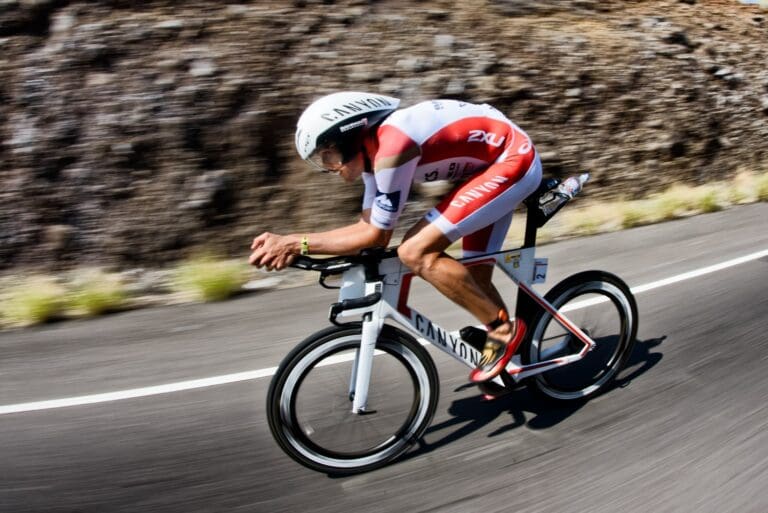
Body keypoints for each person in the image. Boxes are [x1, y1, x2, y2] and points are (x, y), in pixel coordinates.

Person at [249, 91, 542, 382]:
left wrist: (295, 242)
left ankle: (504, 330)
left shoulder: (392, 149)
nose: (329, 168)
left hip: (512, 158)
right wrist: (297, 245)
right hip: (489, 164)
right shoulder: (373, 159)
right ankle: (511, 356)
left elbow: (376, 236)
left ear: (349, 137)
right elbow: (367, 229)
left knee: (415, 251)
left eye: (329, 155)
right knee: (474, 278)